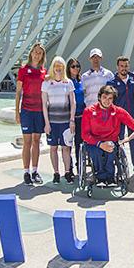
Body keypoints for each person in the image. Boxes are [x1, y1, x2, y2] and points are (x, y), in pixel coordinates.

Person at [81, 86, 134, 184]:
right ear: (99, 97)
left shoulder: (118, 111)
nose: (107, 101)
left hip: (111, 140)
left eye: (110, 98)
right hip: (94, 141)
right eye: (104, 97)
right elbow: (85, 134)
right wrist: (99, 144)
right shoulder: (89, 111)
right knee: (96, 151)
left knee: (111, 148)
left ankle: (110, 177)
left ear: (113, 99)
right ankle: (100, 177)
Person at [15, 42, 47, 185]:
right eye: (35, 52)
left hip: (39, 111)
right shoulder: (23, 70)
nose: (37, 54)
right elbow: (18, 93)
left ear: (42, 56)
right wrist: (17, 112)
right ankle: (26, 172)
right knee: (27, 142)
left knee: (36, 141)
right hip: (27, 110)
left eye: (39, 52)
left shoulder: (44, 72)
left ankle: (35, 171)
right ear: (31, 53)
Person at [41, 56, 76, 184]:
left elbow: (73, 103)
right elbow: (44, 104)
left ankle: (67, 172)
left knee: (66, 148)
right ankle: (56, 173)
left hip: (66, 122)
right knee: (53, 148)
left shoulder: (68, 83)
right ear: (52, 67)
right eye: (56, 65)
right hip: (52, 123)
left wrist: (72, 120)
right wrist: (46, 123)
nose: (58, 68)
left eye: (60, 66)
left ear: (63, 68)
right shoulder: (46, 83)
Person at [107, 56, 134, 176]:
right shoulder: (111, 82)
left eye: (126, 65)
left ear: (129, 66)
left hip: (131, 114)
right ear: (117, 67)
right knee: (118, 141)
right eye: (121, 66)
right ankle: (120, 169)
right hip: (118, 116)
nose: (124, 68)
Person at [66, 57, 85, 174]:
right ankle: (69, 169)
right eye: (73, 66)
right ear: (68, 68)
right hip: (69, 118)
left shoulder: (81, 81)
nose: (76, 68)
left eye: (77, 66)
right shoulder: (66, 82)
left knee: (79, 144)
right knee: (68, 144)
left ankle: (80, 168)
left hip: (81, 117)